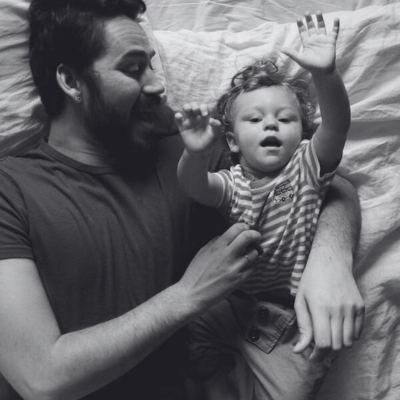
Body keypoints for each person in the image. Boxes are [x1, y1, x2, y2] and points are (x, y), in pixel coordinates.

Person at [0, 1, 363, 400]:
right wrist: (189, 294)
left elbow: (321, 183)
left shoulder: (185, 148)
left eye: (152, 65)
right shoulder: (12, 190)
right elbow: (41, 378)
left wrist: (331, 259)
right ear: (71, 81)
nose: (157, 85)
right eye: (133, 69)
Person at [175, 11, 361, 400]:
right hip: (232, 301)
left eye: (285, 119)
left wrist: (326, 75)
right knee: (195, 338)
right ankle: (211, 379)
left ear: (303, 132)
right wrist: (194, 154)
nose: (271, 125)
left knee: (292, 390)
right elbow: (196, 187)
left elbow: (337, 125)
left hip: (290, 315)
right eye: (255, 119)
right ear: (232, 142)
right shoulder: (233, 183)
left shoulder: (306, 167)